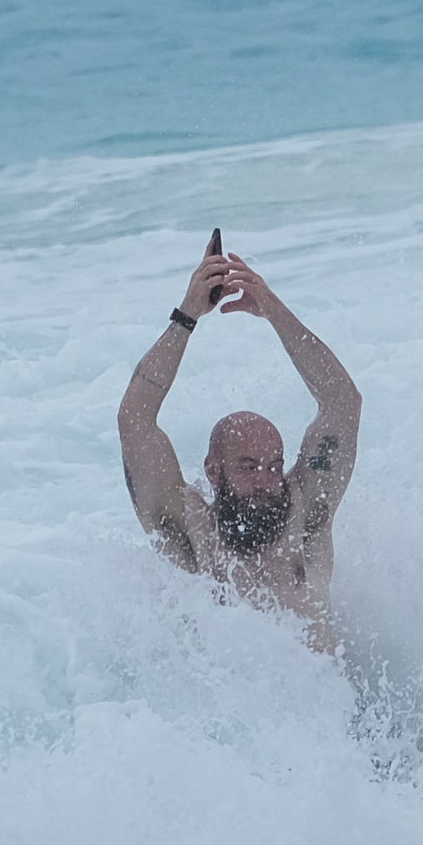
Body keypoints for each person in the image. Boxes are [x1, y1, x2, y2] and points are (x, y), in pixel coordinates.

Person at [117, 244, 361, 643]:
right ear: (214, 470)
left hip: (330, 701)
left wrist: (273, 311)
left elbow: (343, 403)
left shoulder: (306, 517)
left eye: (273, 466)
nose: (266, 481)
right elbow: (135, 419)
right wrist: (187, 316)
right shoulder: (191, 534)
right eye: (249, 467)